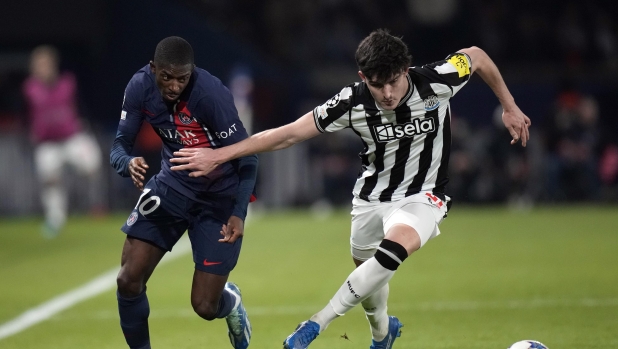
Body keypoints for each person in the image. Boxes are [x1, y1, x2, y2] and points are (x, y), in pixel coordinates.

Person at [170, 29, 531, 349]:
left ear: (405, 70)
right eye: (377, 84)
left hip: (426, 195)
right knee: (371, 280)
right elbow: (288, 134)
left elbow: (478, 57)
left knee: (391, 253)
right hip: (370, 200)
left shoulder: (438, 79)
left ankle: (316, 323)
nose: (387, 93)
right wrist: (219, 155)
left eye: (393, 81)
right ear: (363, 77)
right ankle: (381, 334)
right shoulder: (350, 101)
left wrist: (509, 106)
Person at [109, 36, 257, 349]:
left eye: (182, 78)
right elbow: (119, 145)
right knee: (128, 278)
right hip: (171, 186)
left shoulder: (211, 95)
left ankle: (229, 302)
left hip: (218, 198)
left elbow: (249, 155)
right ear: (153, 69)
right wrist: (127, 162)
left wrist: (238, 212)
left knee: (204, 306)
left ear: (191, 73)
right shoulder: (139, 87)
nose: (174, 86)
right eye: (166, 77)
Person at [22, 45, 102, 237]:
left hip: (72, 137)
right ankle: (55, 219)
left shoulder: (68, 82)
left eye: (46, 64)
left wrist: (86, 123)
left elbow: (82, 105)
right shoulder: (30, 88)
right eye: (39, 65)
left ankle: (95, 205)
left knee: (92, 166)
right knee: (50, 180)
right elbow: (25, 114)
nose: (43, 68)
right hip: (47, 143)